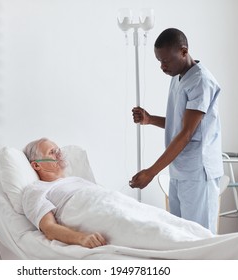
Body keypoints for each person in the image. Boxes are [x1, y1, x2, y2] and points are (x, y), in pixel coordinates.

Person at [22, 137, 215, 250]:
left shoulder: (76, 180)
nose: (59, 154)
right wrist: (81, 237)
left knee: (167, 220)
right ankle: (210, 252)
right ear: (36, 165)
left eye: (58, 150)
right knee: (151, 230)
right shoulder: (35, 190)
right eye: (52, 152)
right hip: (91, 210)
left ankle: (214, 243)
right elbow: (48, 227)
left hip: (113, 201)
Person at [129, 28, 224, 233]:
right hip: (180, 171)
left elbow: (187, 133)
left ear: (183, 51)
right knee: (179, 235)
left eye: (166, 61)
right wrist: (150, 119)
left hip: (198, 171)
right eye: (159, 61)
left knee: (199, 238)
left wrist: (151, 172)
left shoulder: (201, 81)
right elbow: (179, 123)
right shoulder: (178, 75)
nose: (162, 67)